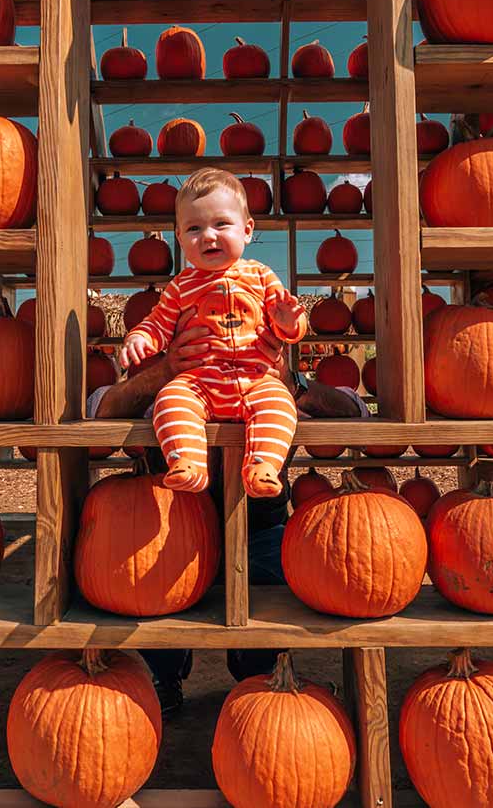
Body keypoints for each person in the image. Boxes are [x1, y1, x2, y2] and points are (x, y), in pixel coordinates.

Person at [88, 304, 368, 715]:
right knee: (133, 584)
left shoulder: (273, 390)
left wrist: (293, 383)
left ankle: (256, 671)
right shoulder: (165, 395)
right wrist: (164, 372)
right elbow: (99, 409)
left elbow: (356, 412)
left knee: (289, 590)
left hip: (260, 526)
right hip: (168, 533)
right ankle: (166, 673)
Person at [119, 168, 307, 498]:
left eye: (221, 224)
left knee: (280, 403)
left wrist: (289, 321)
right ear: (179, 238)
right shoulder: (180, 286)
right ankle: (188, 462)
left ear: (247, 230)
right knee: (171, 399)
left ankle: (263, 464)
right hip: (200, 383)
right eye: (194, 228)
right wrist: (141, 338)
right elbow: (158, 323)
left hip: (256, 378)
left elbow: (290, 331)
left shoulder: (261, 276)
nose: (208, 236)